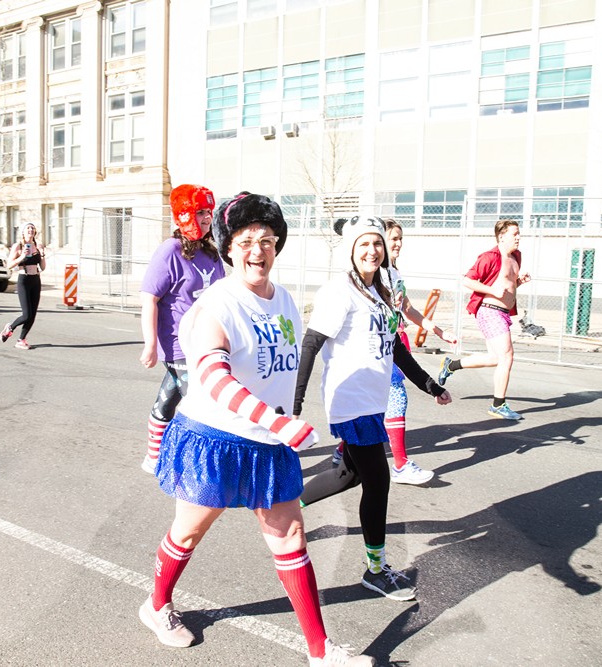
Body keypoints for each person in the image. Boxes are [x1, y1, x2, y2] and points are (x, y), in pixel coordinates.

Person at [140, 193, 375, 667]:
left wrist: (287, 419)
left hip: (269, 445)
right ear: (228, 248)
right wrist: (276, 420)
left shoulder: (284, 299)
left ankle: (321, 651)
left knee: (291, 540)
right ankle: (157, 604)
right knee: (187, 534)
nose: (257, 250)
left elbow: (283, 371)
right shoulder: (215, 306)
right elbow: (213, 376)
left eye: (266, 240)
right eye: (246, 240)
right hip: (216, 440)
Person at [293, 214, 451, 602]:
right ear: (350, 250)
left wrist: (428, 383)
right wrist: (293, 402)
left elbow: (394, 345)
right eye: (364, 244)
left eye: (376, 243)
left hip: (372, 399)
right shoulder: (339, 291)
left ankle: (285, 504)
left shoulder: (381, 289)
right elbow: (311, 343)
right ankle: (376, 571)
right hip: (351, 401)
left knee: (349, 475)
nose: (372, 250)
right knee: (378, 482)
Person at [138, 184, 225, 474]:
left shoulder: (211, 253)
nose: (206, 218)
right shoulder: (170, 251)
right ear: (184, 214)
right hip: (179, 344)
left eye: (208, 213)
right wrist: (150, 344)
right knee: (202, 405)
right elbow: (150, 298)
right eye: (199, 212)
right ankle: (199, 468)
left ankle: (153, 456)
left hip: (208, 342)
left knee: (169, 397)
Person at [436, 218, 531, 420]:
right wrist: (491, 290)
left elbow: (505, 288)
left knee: (495, 358)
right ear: (502, 236)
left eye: (519, 233)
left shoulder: (516, 257)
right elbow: (467, 280)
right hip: (489, 310)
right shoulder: (489, 257)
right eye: (515, 234)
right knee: (507, 356)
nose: (518, 237)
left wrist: (519, 283)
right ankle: (498, 405)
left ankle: (451, 366)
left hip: (503, 313)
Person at [1, 223, 46, 350]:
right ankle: (10, 328)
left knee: (33, 315)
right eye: (28, 228)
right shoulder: (18, 246)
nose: (31, 230)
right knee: (26, 314)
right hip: (24, 280)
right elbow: (9, 265)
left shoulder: (38, 245)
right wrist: (22, 256)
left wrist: (42, 254)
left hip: (36, 279)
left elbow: (42, 267)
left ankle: (21, 340)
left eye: (33, 228)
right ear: (23, 232)